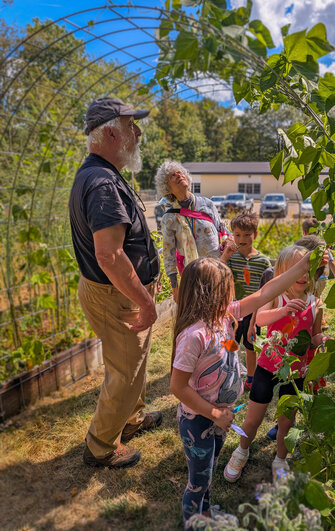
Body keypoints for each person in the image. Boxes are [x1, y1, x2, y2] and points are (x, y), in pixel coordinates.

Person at [170, 251, 324, 528]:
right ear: (209, 294)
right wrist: (214, 413)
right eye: (227, 290)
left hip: (220, 415)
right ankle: (194, 522)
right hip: (198, 420)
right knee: (198, 481)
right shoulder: (193, 336)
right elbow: (177, 386)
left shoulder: (223, 316)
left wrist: (304, 265)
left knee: (209, 469)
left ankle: (205, 512)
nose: (233, 296)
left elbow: (266, 291)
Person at [69, 97, 162, 468]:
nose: (138, 133)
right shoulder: (103, 184)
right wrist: (146, 301)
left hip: (117, 292)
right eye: (131, 126)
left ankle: (131, 418)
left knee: (132, 362)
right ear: (110, 133)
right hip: (117, 295)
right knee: (124, 371)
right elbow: (109, 256)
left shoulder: (99, 174)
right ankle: (101, 445)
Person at [224, 245, 328, 483]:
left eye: (307, 270)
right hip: (268, 365)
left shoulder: (315, 303)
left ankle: (280, 459)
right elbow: (260, 319)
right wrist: (283, 310)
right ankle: (242, 450)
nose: (303, 275)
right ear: (283, 272)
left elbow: (314, 336)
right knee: (253, 419)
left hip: (296, 371)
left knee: (287, 421)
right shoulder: (276, 297)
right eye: (297, 269)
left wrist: (321, 340)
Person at [155, 160, 228, 303]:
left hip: (218, 270)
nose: (179, 175)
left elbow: (222, 229)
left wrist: (228, 240)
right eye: (173, 176)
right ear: (167, 188)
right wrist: (175, 287)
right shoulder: (169, 218)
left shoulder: (207, 204)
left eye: (180, 173)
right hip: (193, 276)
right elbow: (169, 255)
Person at [220, 212, 271, 391]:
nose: (242, 239)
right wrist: (225, 256)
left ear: (255, 235)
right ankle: (230, 375)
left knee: (250, 346)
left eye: (247, 235)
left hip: (253, 312)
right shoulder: (231, 258)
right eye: (237, 235)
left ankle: (250, 378)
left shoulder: (263, 262)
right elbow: (219, 274)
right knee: (229, 344)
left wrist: (254, 319)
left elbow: (264, 292)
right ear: (232, 235)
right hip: (232, 311)